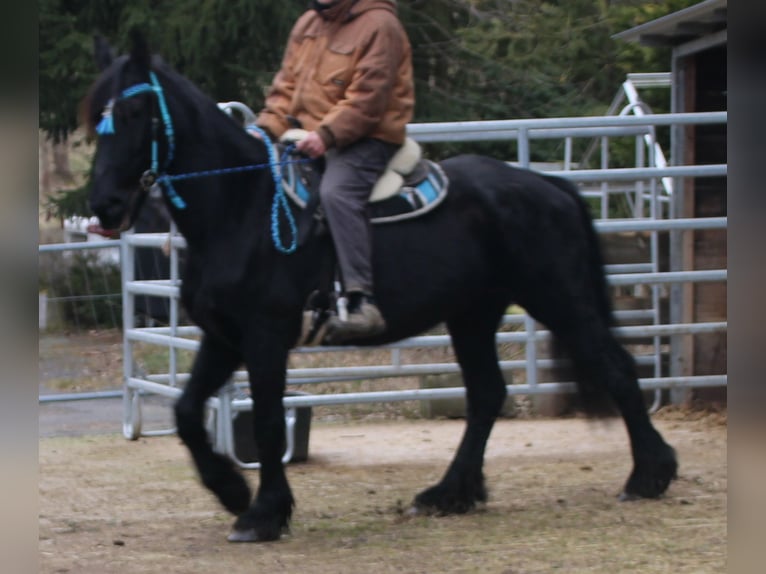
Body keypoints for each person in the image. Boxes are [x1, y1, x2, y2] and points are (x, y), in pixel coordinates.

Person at [254, 0, 415, 341]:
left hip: (366, 137)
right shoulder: (309, 23)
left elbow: (368, 99)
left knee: (336, 193)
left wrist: (326, 135)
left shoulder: (380, 25)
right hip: (306, 135)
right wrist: (264, 130)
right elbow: (284, 90)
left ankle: (362, 301)